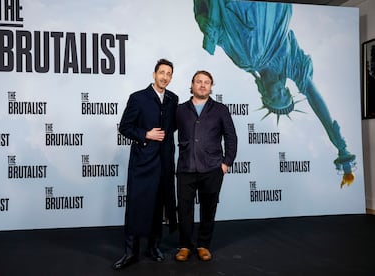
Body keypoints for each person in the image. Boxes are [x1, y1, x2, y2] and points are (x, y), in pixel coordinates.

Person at [193, 0, 356, 187]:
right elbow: (314, 98)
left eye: (276, 97)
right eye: (285, 93)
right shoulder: (290, 65)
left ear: (263, 93)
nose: (281, 90)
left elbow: (222, 35)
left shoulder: (245, 61)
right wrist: (340, 146)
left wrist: (208, 28)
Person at [112, 58, 178, 270]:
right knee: (136, 206)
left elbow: (173, 126)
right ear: (154, 74)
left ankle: (154, 247)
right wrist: (145, 134)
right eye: (162, 72)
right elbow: (124, 127)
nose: (165, 77)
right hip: (142, 162)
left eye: (168, 74)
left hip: (164, 163)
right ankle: (130, 252)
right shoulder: (138, 98)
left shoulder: (173, 99)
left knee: (159, 206)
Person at [175, 70, 237, 262]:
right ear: (192, 85)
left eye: (207, 82)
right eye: (199, 82)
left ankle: (203, 245)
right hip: (185, 167)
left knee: (208, 208)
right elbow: (166, 132)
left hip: (212, 168)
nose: (202, 85)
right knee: (184, 209)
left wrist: (226, 163)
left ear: (211, 86)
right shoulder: (179, 109)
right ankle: (185, 245)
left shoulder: (220, 110)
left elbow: (231, 137)